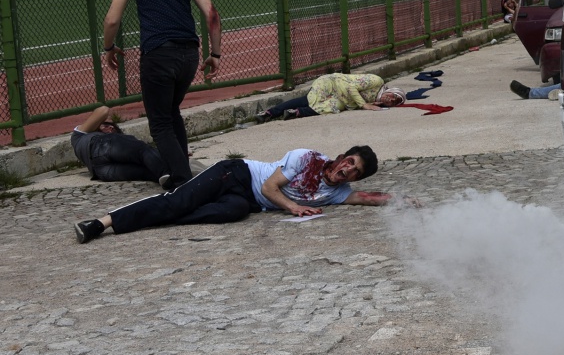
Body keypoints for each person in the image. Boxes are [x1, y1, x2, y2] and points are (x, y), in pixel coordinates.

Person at [102, 0, 222, 190]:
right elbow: (212, 13)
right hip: (189, 54)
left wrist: (108, 48)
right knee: (171, 112)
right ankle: (178, 167)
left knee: (159, 123)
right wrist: (215, 54)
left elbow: (112, 19)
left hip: (158, 54)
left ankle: (182, 182)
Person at [73, 145, 389, 244]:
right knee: (179, 201)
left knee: (230, 212)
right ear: (340, 157)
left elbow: (366, 199)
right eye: (349, 162)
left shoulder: (337, 192)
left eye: (355, 171)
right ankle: (102, 222)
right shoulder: (307, 158)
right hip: (236, 174)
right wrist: (293, 207)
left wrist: (404, 202)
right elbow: (269, 188)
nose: (347, 171)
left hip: (245, 201)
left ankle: (171, 208)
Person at [70, 105, 169, 185]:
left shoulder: (79, 140)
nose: (109, 129)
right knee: (142, 150)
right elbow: (103, 110)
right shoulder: (79, 136)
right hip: (101, 147)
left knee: (145, 171)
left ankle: (171, 179)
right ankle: (173, 171)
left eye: (112, 128)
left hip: (100, 171)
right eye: (106, 126)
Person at [256, 73, 404, 121]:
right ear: (391, 90)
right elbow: (351, 87)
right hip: (333, 83)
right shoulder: (377, 81)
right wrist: (364, 105)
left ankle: (296, 113)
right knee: (309, 99)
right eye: (393, 96)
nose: (390, 100)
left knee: (332, 107)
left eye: (394, 102)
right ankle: (270, 112)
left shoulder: (377, 101)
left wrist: (371, 104)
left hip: (341, 99)